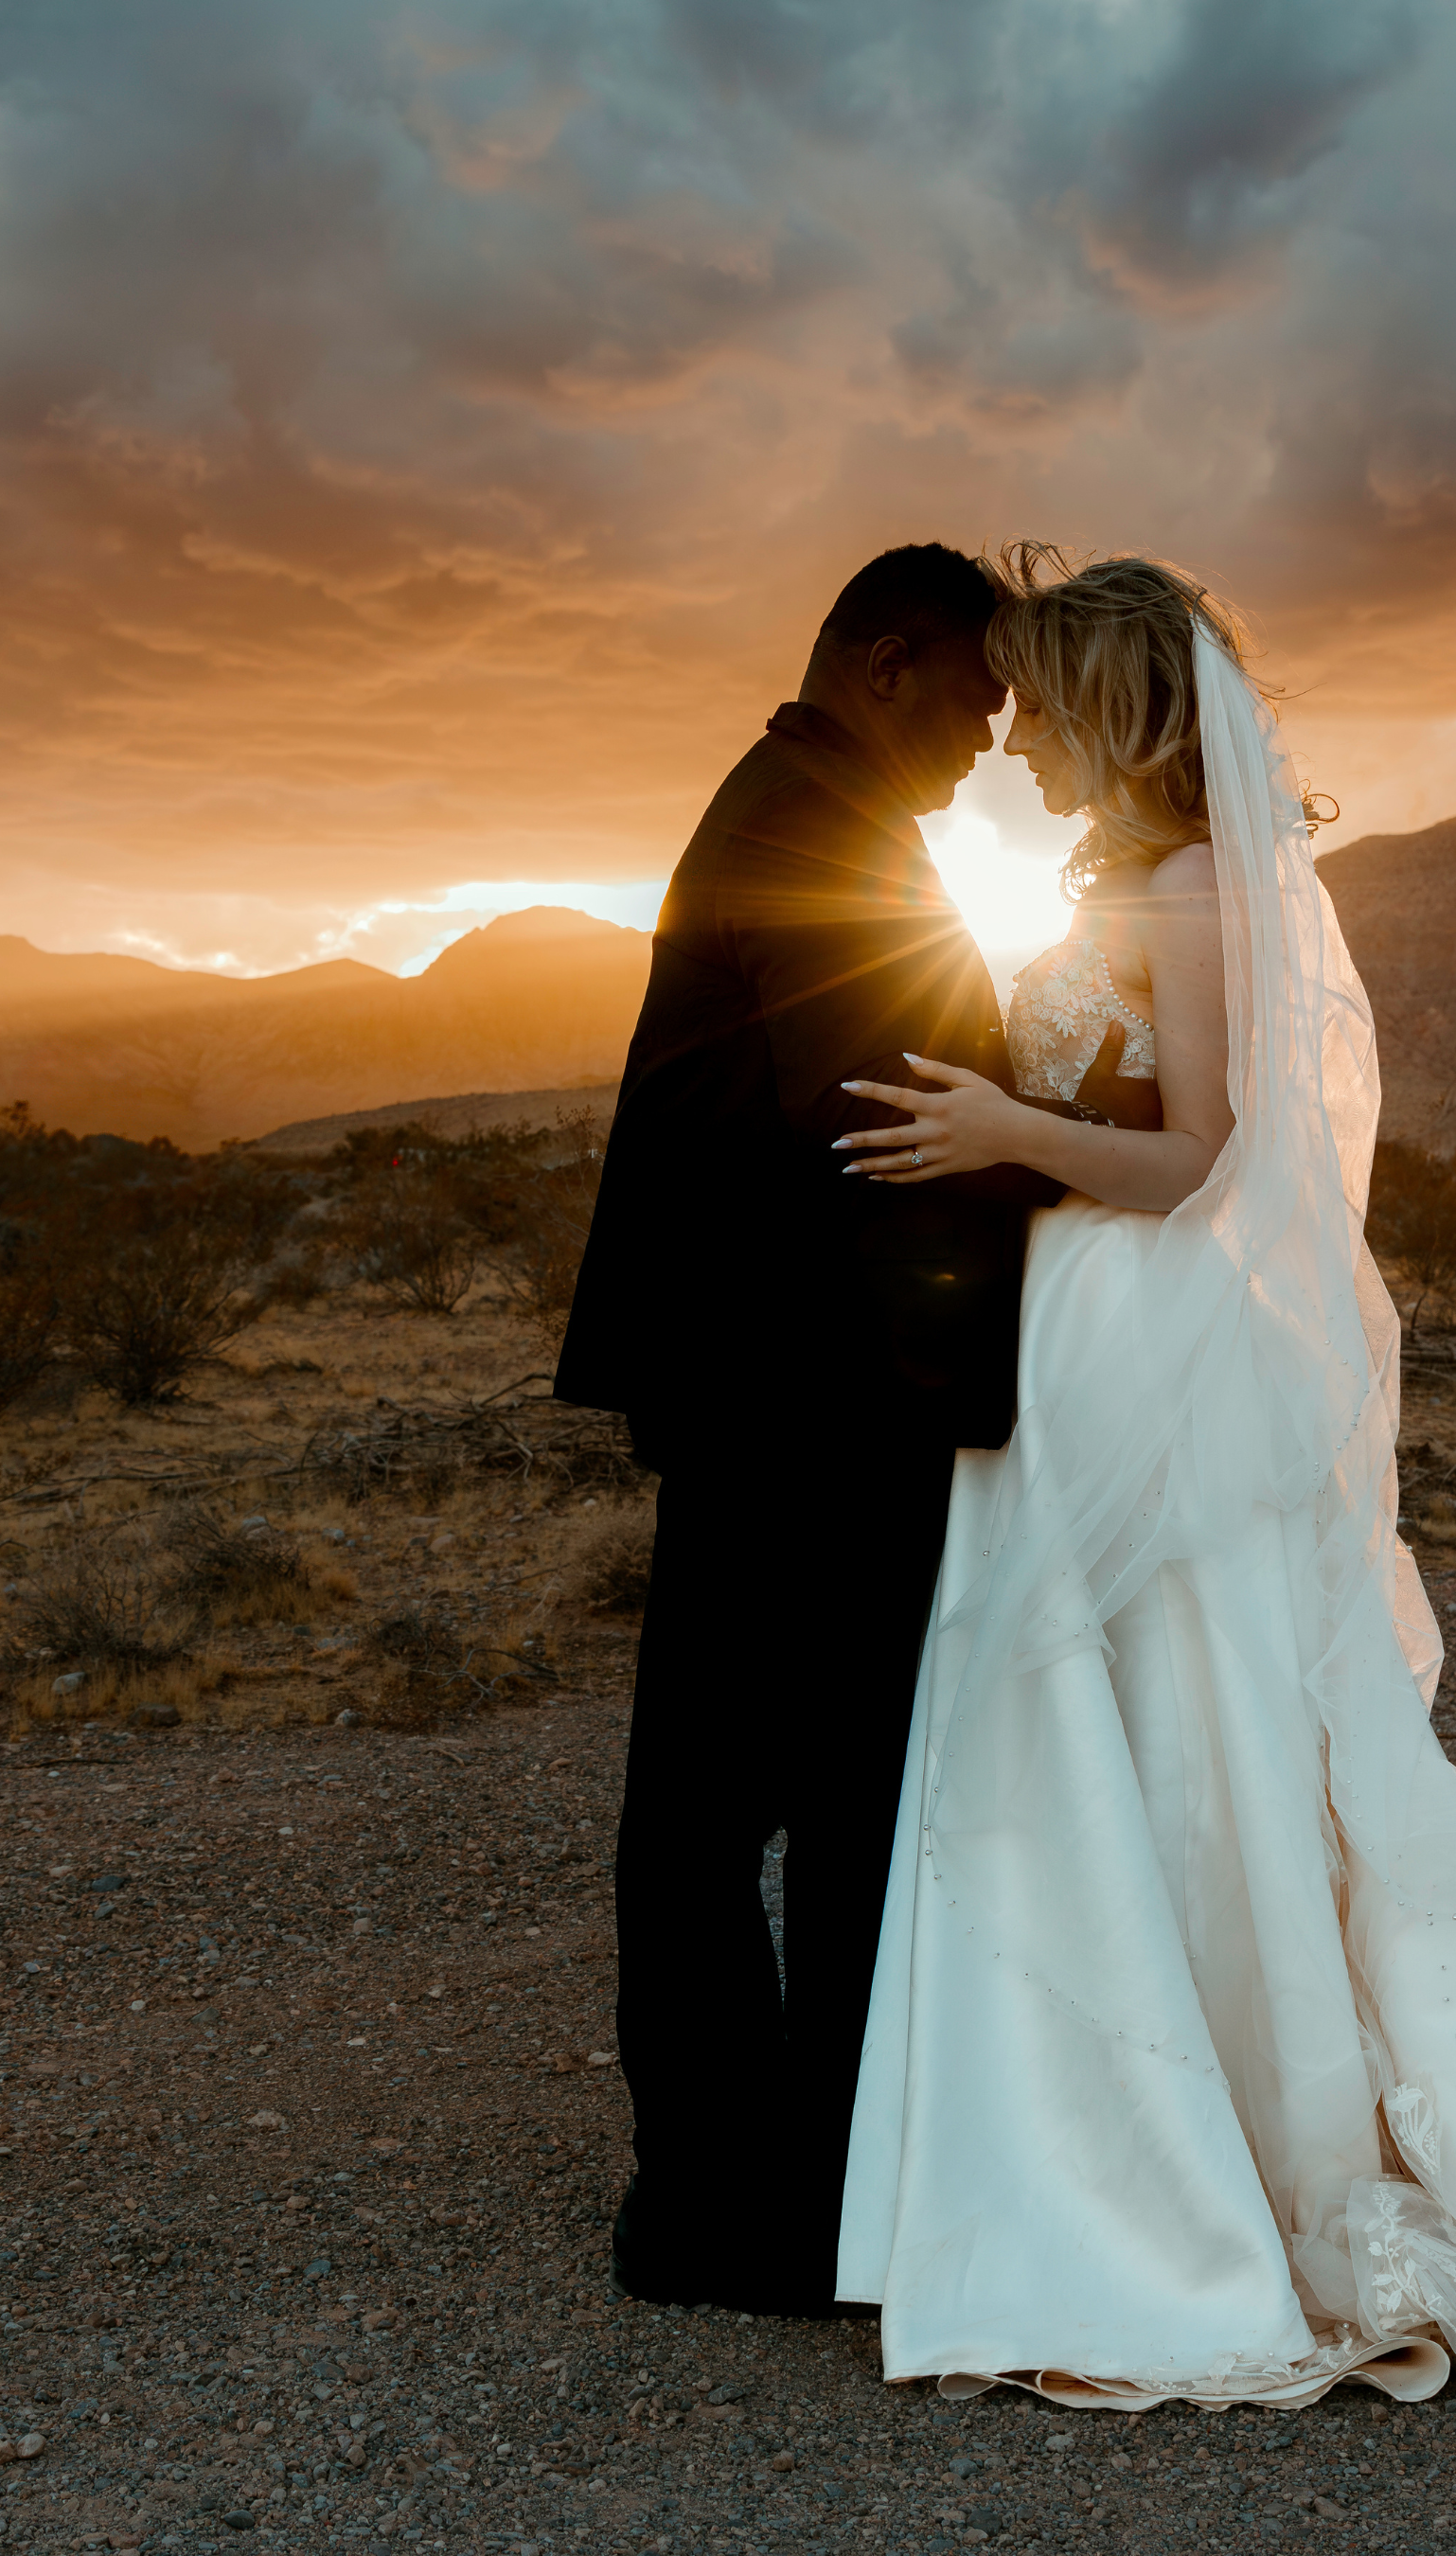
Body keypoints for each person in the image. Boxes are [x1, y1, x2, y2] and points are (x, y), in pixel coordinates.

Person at [830, 546, 1456, 2406]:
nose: (1029, 752)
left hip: (1141, 1314)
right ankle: (1063, 2151)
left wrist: (1003, 1126)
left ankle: (1174, 2166)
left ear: (1127, 711)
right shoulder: (1130, 874)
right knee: (1077, 1709)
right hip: (1078, 1326)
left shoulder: (1183, 882)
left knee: (1154, 1708)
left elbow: (1202, 1159)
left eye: (1056, 712)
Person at [554, 541, 1154, 2315]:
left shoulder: (806, 801)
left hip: (770, 1393)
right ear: (888, 662)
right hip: (803, 1408)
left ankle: (781, 2191)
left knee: (769, 1797)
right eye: (975, 697)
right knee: (773, 1805)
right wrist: (1093, 1136)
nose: (987, 735)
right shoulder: (819, 824)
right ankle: (753, 2209)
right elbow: (888, 1122)